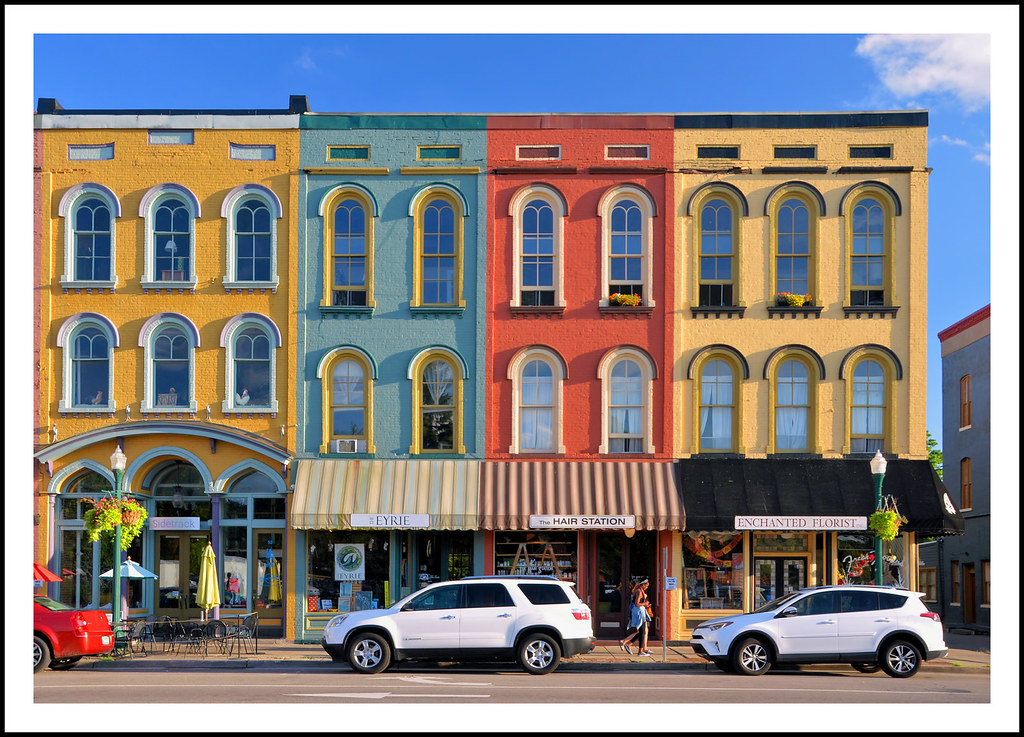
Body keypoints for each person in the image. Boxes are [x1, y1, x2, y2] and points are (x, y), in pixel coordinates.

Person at [619, 578, 653, 656]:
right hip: (639, 612)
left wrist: (645, 604)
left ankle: (627, 643)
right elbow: (637, 604)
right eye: (646, 586)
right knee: (642, 631)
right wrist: (645, 604)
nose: (647, 587)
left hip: (640, 611)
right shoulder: (639, 592)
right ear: (643, 585)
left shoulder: (639, 591)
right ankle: (638, 650)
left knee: (642, 631)